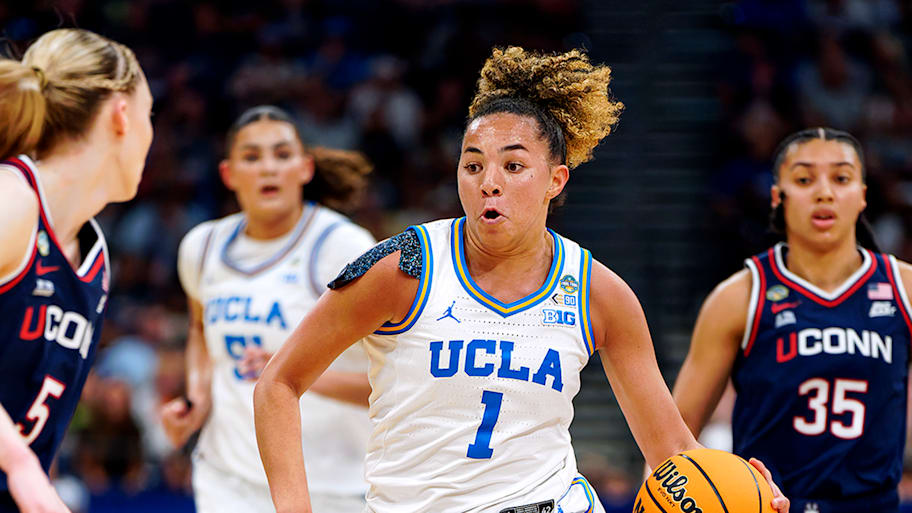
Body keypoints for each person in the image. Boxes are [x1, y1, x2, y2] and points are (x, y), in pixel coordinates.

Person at [254, 47, 790, 513]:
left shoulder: (599, 292)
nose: (489, 183)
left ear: (556, 180)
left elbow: (671, 453)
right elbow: (278, 384)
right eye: (473, 165)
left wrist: (742, 489)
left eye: (513, 166)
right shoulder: (404, 268)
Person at [673, 127, 910, 513]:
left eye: (841, 177)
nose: (824, 192)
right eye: (803, 179)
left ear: (863, 195)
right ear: (777, 196)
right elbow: (675, 435)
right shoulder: (739, 296)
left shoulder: (904, 288)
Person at [159, 105, 375, 513]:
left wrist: (288, 375)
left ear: (305, 168)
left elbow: (395, 377)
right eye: (252, 157)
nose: (268, 168)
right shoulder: (201, 246)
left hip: (331, 485)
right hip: (228, 479)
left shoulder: (344, 248)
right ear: (229, 174)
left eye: (281, 154)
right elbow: (199, 329)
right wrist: (197, 397)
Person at [0, 28, 153, 513]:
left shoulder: (95, 258)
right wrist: (20, 466)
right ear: (122, 115)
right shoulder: (12, 200)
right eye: (151, 114)